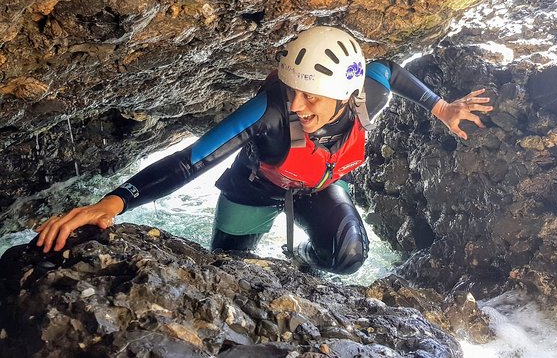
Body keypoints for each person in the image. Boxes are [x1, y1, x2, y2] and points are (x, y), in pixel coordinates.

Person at [36, 26, 493, 274]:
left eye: (311, 96)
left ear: (345, 95)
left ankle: (299, 268)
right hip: (252, 190)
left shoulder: (366, 92)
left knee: (348, 257)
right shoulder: (268, 113)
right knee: (226, 269)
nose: (297, 105)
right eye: (292, 90)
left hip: (317, 186)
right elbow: (190, 160)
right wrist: (110, 203)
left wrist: (441, 107)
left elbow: (389, 69)